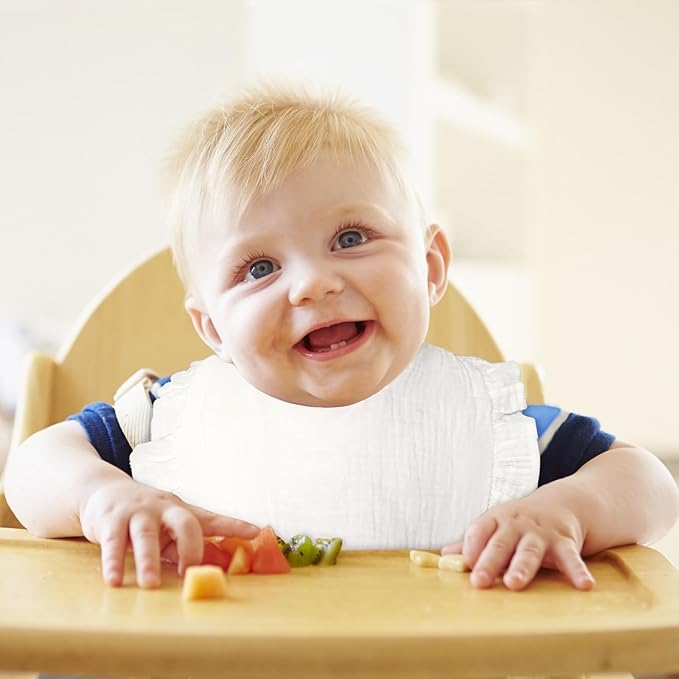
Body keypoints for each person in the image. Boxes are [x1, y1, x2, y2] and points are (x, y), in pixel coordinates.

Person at [5, 84, 678, 593]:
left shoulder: (488, 422)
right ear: (213, 329)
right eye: (259, 268)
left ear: (429, 267)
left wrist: (566, 510)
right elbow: (32, 468)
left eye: (351, 237)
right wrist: (104, 496)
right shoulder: (169, 421)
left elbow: (649, 483)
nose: (312, 284)